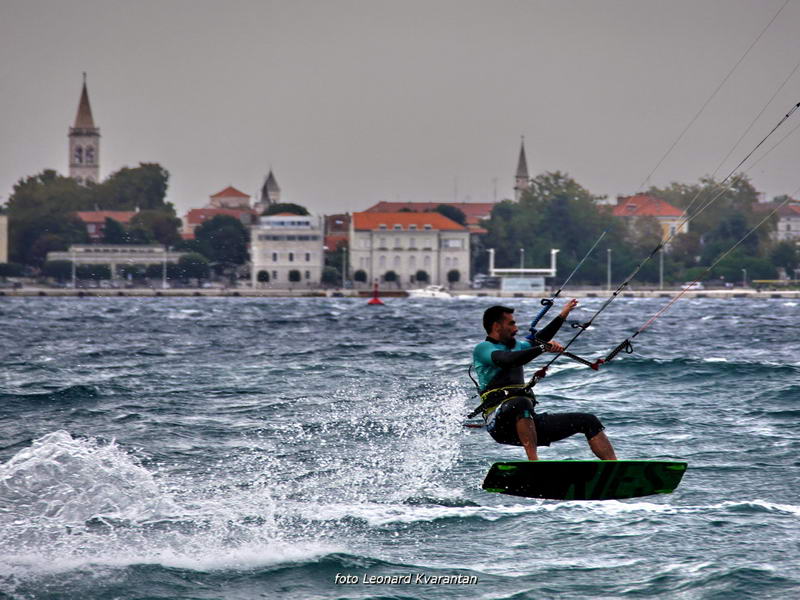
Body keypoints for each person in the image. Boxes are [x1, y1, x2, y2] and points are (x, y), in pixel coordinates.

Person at [472, 301, 617, 461]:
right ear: (496, 326)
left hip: (527, 423)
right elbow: (507, 360)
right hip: (498, 423)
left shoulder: (517, 346)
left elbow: (540, 339)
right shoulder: (483, 348)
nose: (516, 328)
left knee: (588, 420)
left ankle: (614, 467)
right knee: (520, 402)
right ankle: (534, 463)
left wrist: (563, 315)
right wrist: (542, 348)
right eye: (511, 324)